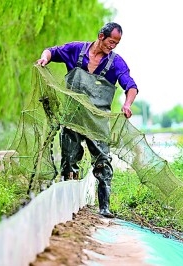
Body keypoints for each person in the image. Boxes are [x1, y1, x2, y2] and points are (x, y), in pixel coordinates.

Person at [36, 22, 138, 218]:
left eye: (117, 43)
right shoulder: (75, 50)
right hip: (72, 117)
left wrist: (128, 104)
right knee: (69, 160)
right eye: (111, 41)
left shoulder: (116, 62)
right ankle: (65, 205)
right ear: (101, 36)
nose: (113, 46)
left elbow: (130, 85)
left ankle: (104, 207)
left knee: (103, 163)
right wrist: (44, 59)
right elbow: (52, 52)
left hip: (97, 122)